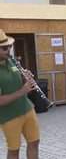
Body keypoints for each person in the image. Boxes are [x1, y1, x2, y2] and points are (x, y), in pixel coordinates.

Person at [0, 29, 40, 159]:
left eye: (9, 47)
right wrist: (22, 91)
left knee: (34, 142)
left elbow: (19, 81)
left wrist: (26, 77)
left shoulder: (10, 61)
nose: (9, 50)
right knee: (14, 150)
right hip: (9, 116)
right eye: (4, 48)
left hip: (27, 108)